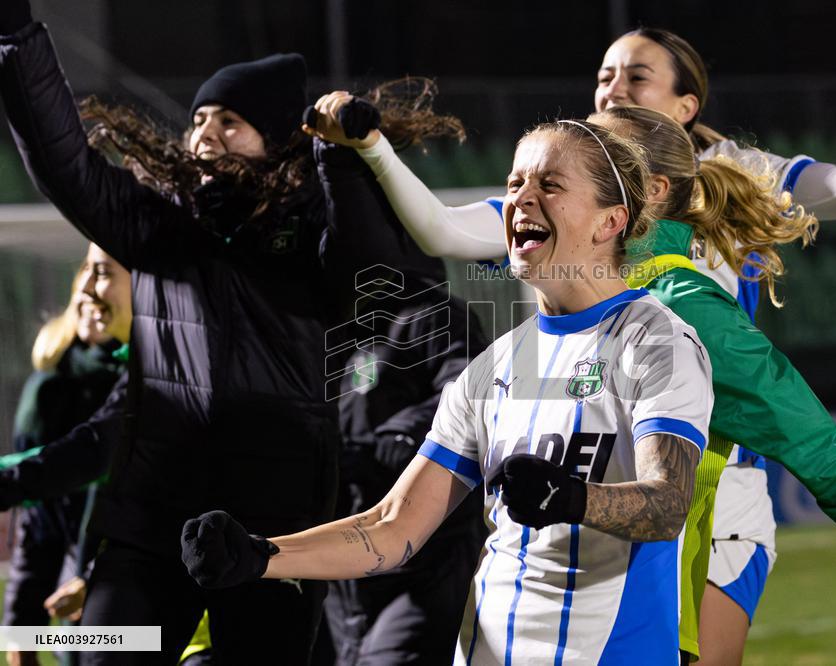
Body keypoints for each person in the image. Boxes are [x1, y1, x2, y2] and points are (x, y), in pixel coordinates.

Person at [307, 28, 836, 661]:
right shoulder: (558, 289)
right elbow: (445, 235)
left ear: (638, 196)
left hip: (697, 535)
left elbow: (825, 457)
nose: (608, 90)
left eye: (634, 80)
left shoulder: (689, 314)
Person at [0, 1, 459, 662]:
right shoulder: (159, 225)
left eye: (231, 120)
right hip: (151, 524)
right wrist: (16, 40)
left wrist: (342, 160)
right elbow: (63, 161)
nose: (206, 132)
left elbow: (368, 281)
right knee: (107, 653)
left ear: (276, 140)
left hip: (274, 535)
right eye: (199, 118)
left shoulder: (311, 232)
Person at [181, 118, 715, 665]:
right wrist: (260, 554)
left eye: (550, 185)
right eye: (513, 185)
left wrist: (574, 498)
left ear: (611, 221)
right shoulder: (494, 366)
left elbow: (667, 504)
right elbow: (393, 527)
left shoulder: (658, 342)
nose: (522, 199)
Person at [588, 105, 836, 663]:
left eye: (580, 169)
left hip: (630, 633)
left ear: (651, 193)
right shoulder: (564, 308)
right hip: (529, 622)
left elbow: (823, 454)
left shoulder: (688, 316)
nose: (535, 195)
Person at [310, 269, 488, 665]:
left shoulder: (433, 315)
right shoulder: (328, 322)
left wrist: (394, 442)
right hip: (343, 555)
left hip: (425, 556)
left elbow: (467, 392)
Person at [3, 243, 129, 666]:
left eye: (105, 275)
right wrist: (21, 630)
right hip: (88, 588)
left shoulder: (156, 379)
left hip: (140, 579)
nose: (92, 294)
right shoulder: (52, 391)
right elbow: (39, 519)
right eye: (87, 278)